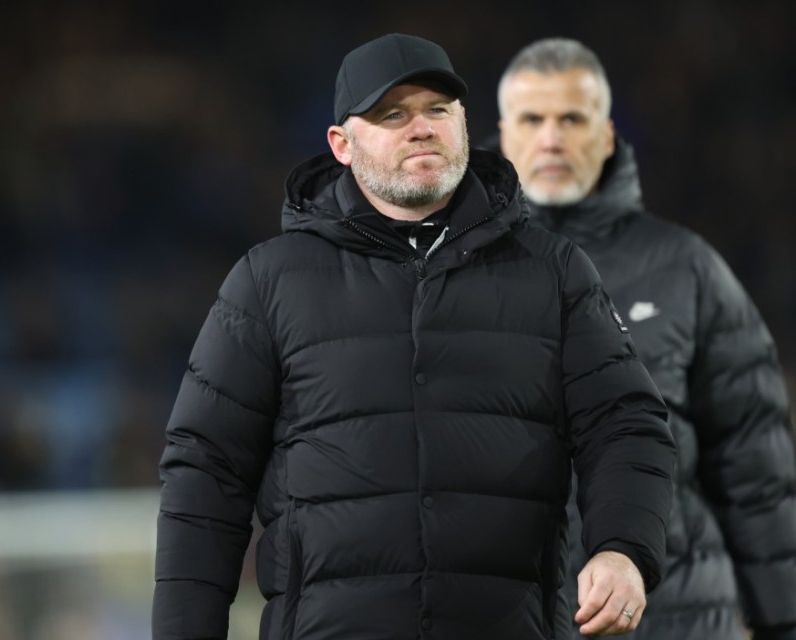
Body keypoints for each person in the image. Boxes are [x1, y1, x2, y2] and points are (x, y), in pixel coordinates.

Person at [153, 33, 676, 640]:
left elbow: (625, 423)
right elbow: (205, 470)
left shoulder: (552, 270)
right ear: (342, 146)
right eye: (392, 114)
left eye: (437, 109)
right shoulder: (268, 281)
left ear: (463, 123)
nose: (421, 127)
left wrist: (623, 549)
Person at [493, 37, 796, 640]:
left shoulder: (688, 269)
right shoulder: (455, 276)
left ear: (606, 136)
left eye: (572, 119)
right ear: (503, 137)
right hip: (514, 615)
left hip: (674, 616)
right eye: (533, 119)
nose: (552, 138)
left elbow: (754, 468)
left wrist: (784, 620)